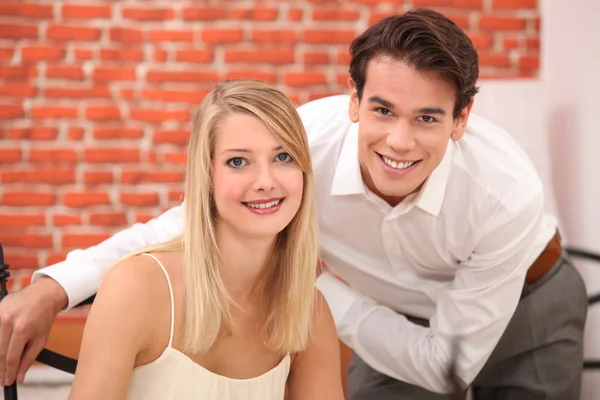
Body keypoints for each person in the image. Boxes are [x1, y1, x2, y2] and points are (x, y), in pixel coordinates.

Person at [0, 8, 587, 400]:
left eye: (428, 118)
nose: (400, 141)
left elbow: (447, 365)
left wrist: (306, 289)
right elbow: (189, 223)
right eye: (382, 109)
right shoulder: (299, 147)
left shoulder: (505, 195)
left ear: (462, 120)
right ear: (354, 100)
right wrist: (55, 288)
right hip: (383, 313)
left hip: (522, 303)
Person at [65, 79, 343, 399]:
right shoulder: (137, 286)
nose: (266, 181)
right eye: (238, 162)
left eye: (283, 157)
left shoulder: (309, 311)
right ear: (207, 177)